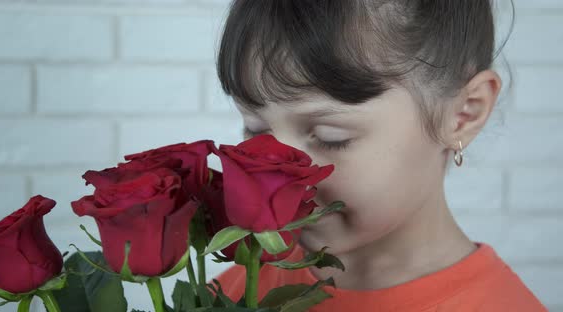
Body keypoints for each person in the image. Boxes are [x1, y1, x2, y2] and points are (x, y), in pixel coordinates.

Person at [212, 1, 547, 311]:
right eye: (255, 130)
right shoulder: (237, 289)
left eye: (332, 138)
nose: (278, 174)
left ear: (463, 114)